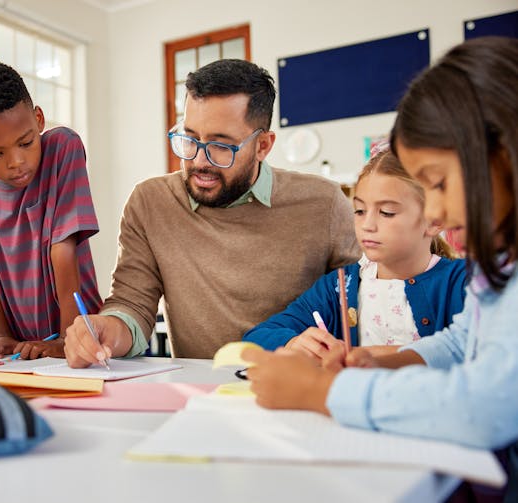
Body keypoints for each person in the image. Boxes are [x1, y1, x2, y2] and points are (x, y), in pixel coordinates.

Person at [242, 37, 518, 498]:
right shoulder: (495, 270)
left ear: (505, 154)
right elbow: (463, 339)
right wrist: (381, 365)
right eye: (361, 210)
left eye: (440, 184)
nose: (434, 215)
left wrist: (323, 395)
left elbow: (486, 407)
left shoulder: (462, 274)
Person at [65, 59, 360, 367]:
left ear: (262, 146)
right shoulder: (150, 202)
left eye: (221, 146)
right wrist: (107, 330)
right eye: (189, 138)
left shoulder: (324, 204)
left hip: (298, 386)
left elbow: (363, 305)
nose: (199, 161)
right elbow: (132, 303)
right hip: (200, 395)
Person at [243, 149, 467, 360]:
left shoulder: (464, 282)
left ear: (434, 221)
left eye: (387, 213)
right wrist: (292, 343)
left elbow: (476, 352)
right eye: (359, 210)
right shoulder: (340, 286)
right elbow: (256, 338)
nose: (367, 225)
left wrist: (377, 355)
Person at [0, 61, 101, 360]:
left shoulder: (62, 147)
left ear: (39, 119)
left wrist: (69, 337)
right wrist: (1, 334)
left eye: (26, 142)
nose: (16, 161)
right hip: (19, 345)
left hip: (82, 333)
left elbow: (63, 247)